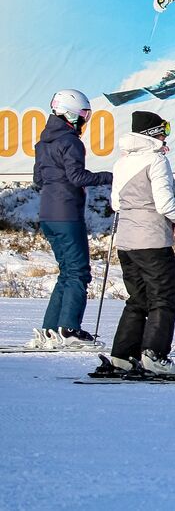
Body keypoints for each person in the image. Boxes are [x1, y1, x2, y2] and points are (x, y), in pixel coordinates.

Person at [90, 111, 175, 380]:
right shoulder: (157, 161)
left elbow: (116, 205)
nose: (165, 136)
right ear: (150, 134)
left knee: (137, 300)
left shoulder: (122, 163)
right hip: (153, 242)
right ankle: (154, 355)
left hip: (126, 243)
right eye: (163, 130)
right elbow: (165, 205)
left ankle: (122, 357)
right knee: (163, 300)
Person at [27, 89, 112, 350]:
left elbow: (38, 179)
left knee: (66, 273)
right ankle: (69, 329)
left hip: (48, 215)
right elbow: (77, 178)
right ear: (70, 114)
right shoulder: (71, 142)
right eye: (83, 115)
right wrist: (109, 176)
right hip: (67, 213)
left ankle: (51, 330)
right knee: (78, 272)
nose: (84, 120)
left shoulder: (43, 142)